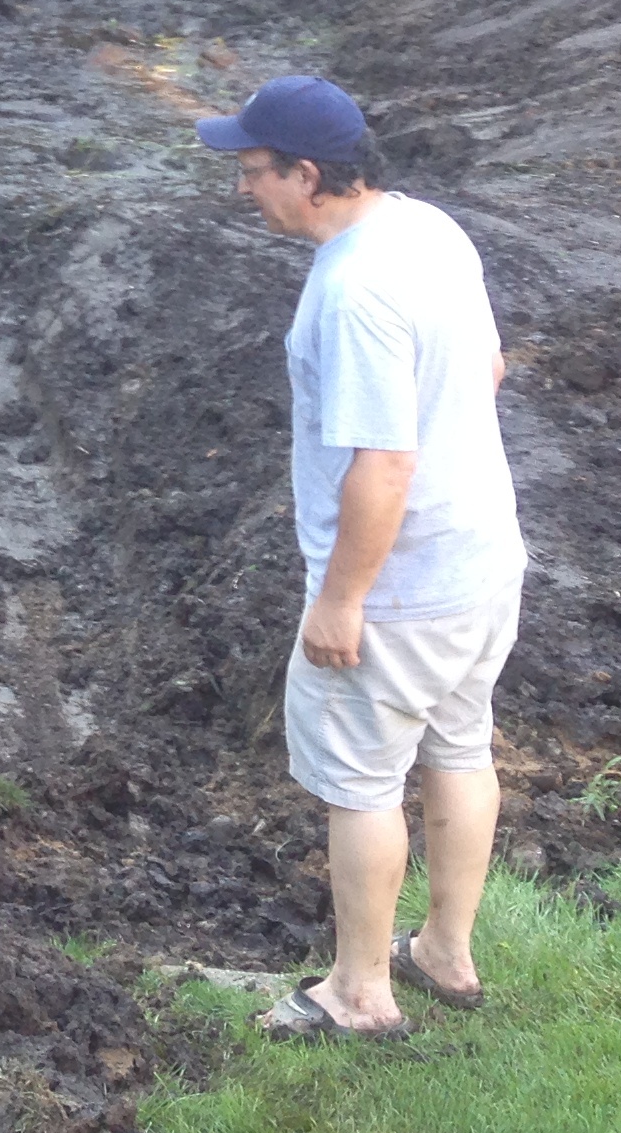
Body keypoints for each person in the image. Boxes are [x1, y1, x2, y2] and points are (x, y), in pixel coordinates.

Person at [197, 73, 523, 1040]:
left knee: (363, 783)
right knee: (461, 748)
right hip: (482, 561)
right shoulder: (429, 230)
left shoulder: (351, 289)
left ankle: (358, 995)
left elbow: (381, 466)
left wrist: (343, 601)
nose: (243, 188)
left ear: (307, 175)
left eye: (251, 171)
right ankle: (446, 954)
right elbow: (489, 368)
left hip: (402, 588)